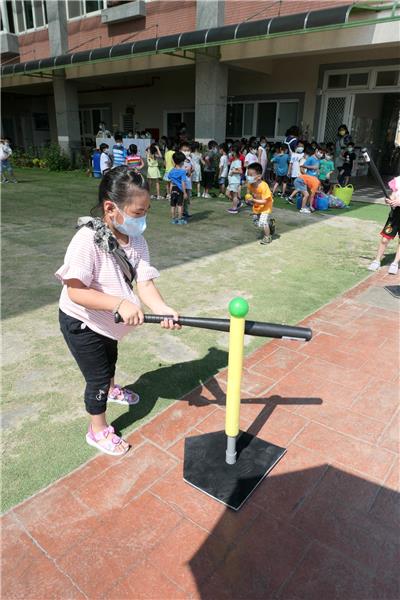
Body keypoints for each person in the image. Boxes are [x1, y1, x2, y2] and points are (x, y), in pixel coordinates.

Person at [55, 167, 180, 456]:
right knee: (97, 376)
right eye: (138, 212)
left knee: (110, 358)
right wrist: (119, 304)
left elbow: (145, 284)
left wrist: (163, 310)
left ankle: (113, 389)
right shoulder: (86, 241)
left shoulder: (137, 240)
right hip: (82, 321)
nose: (143, 219)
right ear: (110, 208)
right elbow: (76, 291)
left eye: (147, 211)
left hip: (109, 322)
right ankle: (97, 430)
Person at [368, 176, 400, 275]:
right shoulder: (398, 180)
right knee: (385, 239)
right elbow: (393, 194)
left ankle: (395, 263)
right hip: (395, 214)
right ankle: (377, 260)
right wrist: (390, 200)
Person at [245, 162, 274, 245]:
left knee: (263, 222)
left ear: (259, 176)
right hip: (257, 206)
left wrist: (253, 200)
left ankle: (267, 237)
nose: (248, 176)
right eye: (248, 174)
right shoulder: (250, 184)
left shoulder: (264, 186)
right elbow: (248, 193)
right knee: (256, 223)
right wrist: (248, 199)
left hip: (266, 206)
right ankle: (271, 224)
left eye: (250, 175)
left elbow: (265, 201)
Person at [167, 151, 188, 225]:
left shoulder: (171, 171)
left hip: (173, 189)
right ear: (181, 162)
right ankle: (180, 219)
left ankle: (173, 219)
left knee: (173, 205)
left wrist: (169, 193)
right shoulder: (182, 172)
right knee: (180, 205)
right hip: (180, 190)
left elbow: (171, 181)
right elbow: (183, 182)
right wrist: (185, 192)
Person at [226, 144, 242, 214]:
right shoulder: (234, 161)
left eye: (232, 151)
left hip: (234, 181)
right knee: (227, 193)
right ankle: (238, 203)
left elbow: (240, 171)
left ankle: (234, 208)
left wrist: (233, 171)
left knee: (234, 195)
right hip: (231, 181)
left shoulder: (237, 161)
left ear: (235, 152)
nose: (231, 153)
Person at [180, 142, 194, 217]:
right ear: (181, 150)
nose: (186, 152)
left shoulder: (189, 158)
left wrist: (190, 171)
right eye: (184, 150)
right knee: (181, 198)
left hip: (188, 181)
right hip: (181, 181)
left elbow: (193, 168)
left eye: (188, 150)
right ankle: (180, 213)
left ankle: (185, 212)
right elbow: (177, 169)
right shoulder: (179, 158)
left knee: (187, 198)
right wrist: (185, 171)